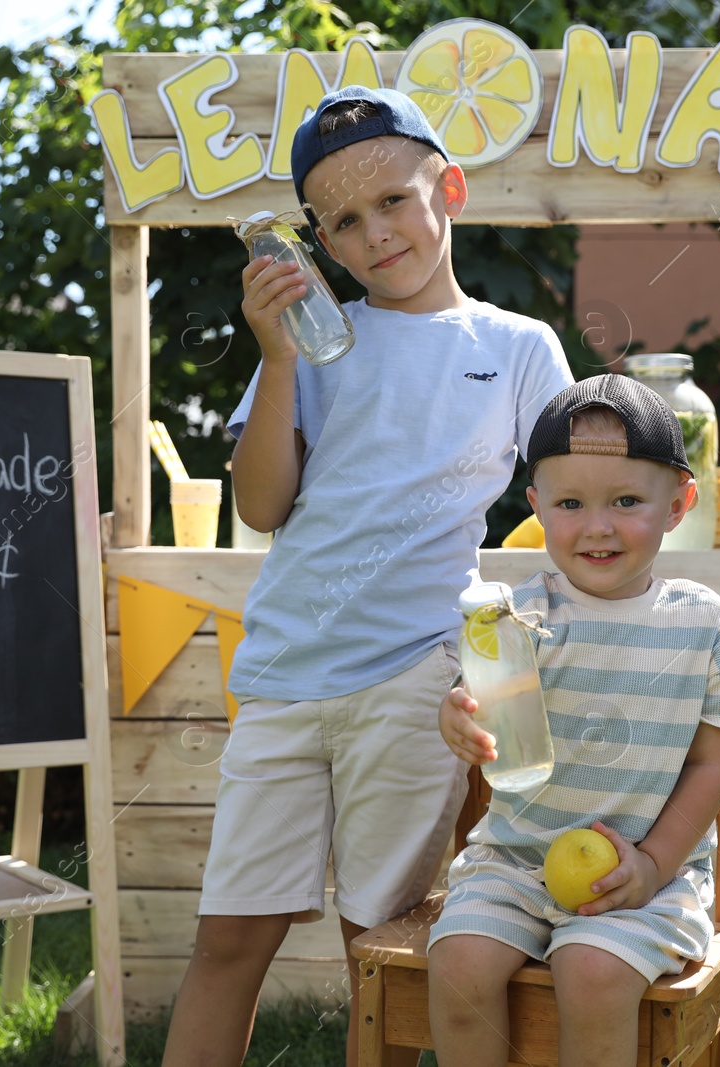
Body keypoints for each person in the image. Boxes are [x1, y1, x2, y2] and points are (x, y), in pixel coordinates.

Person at [158, 85, 574, 1067]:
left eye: (392, 199)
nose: (376, 231)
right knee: (228, 937)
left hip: (416, 679)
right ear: (319, 244)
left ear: (450, 189)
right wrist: (271, 353)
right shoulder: (308, 342)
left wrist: (591, 624)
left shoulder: (517, 347)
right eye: (344, 219)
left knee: (379, 950)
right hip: (285, 676)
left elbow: (574, 500)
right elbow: (261, 506)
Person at [430, 374, 720, 1067]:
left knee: (594, 971)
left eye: (628, 501)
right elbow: (480, 702)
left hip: (649, 879)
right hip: (514, 860)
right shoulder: (520, 612)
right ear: (537, 507)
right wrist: (458, 718)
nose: (598, 524)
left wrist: (651, 863)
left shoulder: (701, 622)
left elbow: (712, 763)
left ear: (679, 502)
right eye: (571, 502)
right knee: (459, 964)